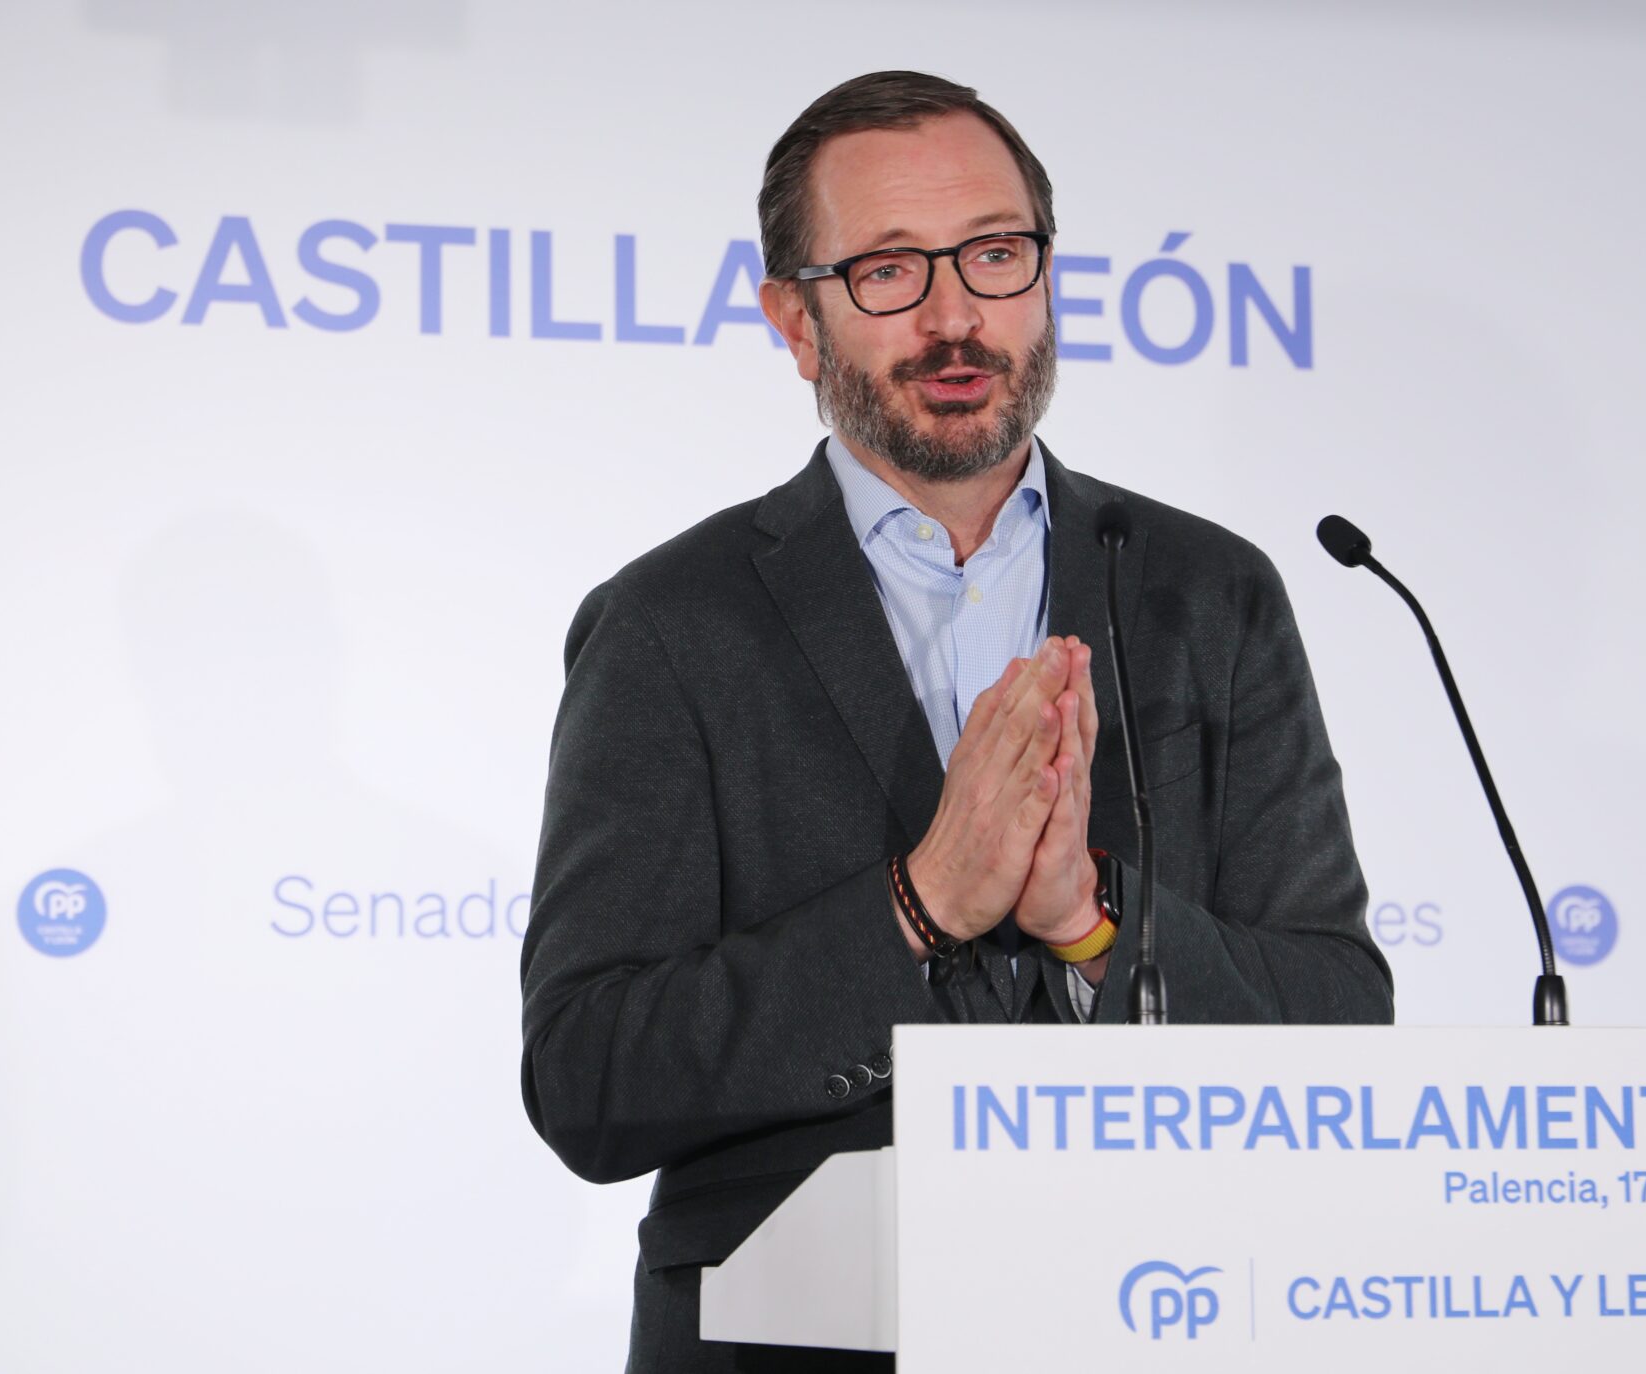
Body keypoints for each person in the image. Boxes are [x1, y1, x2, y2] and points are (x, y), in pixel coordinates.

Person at [520, 70, 1392, 1374]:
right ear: (796, 321)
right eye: (887, 271)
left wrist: (1090, 918)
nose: (954, 318)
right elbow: (590, 1075)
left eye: (993, 254)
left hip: (1161, 1320)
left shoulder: (1209, 593)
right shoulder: (670, 625)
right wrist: (918, 906)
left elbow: (1339, 1019)